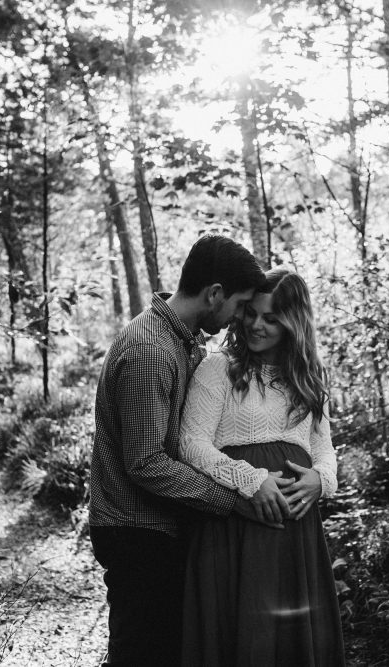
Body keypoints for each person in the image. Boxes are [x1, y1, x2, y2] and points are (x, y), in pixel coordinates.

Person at [88, 234, 290, 667]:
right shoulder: (150, 350)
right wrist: (235, 499)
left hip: (157, 528)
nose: (240, 318)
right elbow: (146, 462)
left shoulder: (179, 339)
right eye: (239, 305)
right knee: (142, 653)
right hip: (136, 531)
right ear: (214, 294)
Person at [178, 267, 346, 666]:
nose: (256, 325)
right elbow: (190, 443)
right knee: (239, 637)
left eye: (271, 318)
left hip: (295, 536)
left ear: (293, 322)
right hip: (234, 526)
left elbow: (325, 451)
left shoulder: (308, 378)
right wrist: (250, 480)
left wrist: (321, 482)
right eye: (251, 313)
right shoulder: (219, 368)